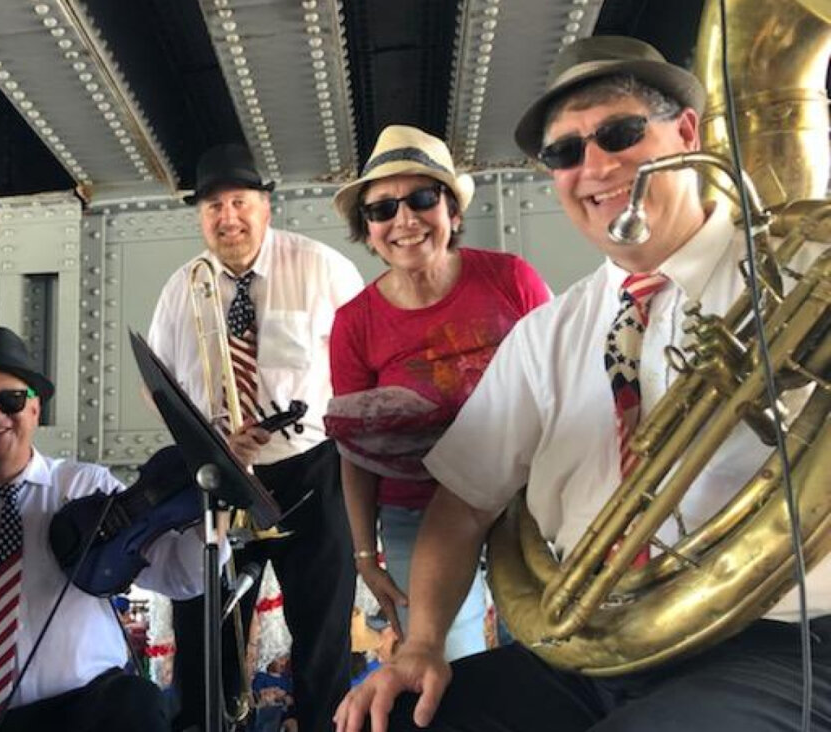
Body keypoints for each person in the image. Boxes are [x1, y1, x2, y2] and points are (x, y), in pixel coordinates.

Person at [334, 35, 831, 732]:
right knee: (404, 720)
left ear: (687, 133)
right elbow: (465, 504)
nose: (593, 166)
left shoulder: (810, 277)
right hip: (593, 646)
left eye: (620, 133)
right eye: (564, 153)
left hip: (776, 641)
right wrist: (420, 647)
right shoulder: (547, 335)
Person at [0, 326, 216, 732]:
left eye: (12, 400)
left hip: (90, 711)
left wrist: (214, 512)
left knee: (137, 702)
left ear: (35, 411)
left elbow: (182, 577)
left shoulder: (89, 487)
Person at [148, 142, 364, 732]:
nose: (228, 218)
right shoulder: (181, 288)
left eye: (239, 202)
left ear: (266, 207)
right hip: (221, 480)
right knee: (205, 626)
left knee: (322, 631)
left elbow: (361, 365)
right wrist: (209, 441)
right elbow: (160, 386)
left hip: (310, 470)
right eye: (213, 207)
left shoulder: (322, 268)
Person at [326, 126, 550, 660]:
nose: (404, 220)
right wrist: (365, 554)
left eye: (422, 198)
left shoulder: (510, 279)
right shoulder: (354, 324)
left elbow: (563, 385)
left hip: (529, 501)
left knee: (551, 648)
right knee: (444, 662)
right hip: (416, 516)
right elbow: (356, 452)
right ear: (369, 230)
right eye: (382, 210)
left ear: (451, 210)